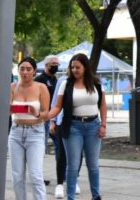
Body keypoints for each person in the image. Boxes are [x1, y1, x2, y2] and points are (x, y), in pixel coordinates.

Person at [49, 53, 107, 200]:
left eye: (78, 67)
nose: (74, 70)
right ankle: (71, 197)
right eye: (72, 67)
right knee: (73, 165)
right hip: (73, 127)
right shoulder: (66, 84)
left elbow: (103, 105)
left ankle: (96, 195)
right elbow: (57, 107)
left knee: (93, 165)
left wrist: (103, 125)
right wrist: (47, 116)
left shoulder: (97, 84)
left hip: (93, 126)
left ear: (85, 67)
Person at [9, 56, 51, 200]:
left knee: (35, 174)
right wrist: (9, 108)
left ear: (34, 72)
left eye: (28, 69)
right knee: (17, 175)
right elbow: (7, 109)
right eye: (22, 69)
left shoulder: (41, 87)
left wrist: (37, 113)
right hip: (16, 132)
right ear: (18, 70)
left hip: (36, 132)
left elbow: (46, 113)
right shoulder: (12, 87)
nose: (25, 72)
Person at [36, 55, 64, 195]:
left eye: (57, 64)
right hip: (43, 119)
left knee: (59, 147)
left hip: (54, 118)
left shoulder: (56, 80)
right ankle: (38, 176)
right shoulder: (39, 80)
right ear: (47, 65)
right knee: (40, 148)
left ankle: (61, 174)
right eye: (54, 64)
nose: (56, 66)